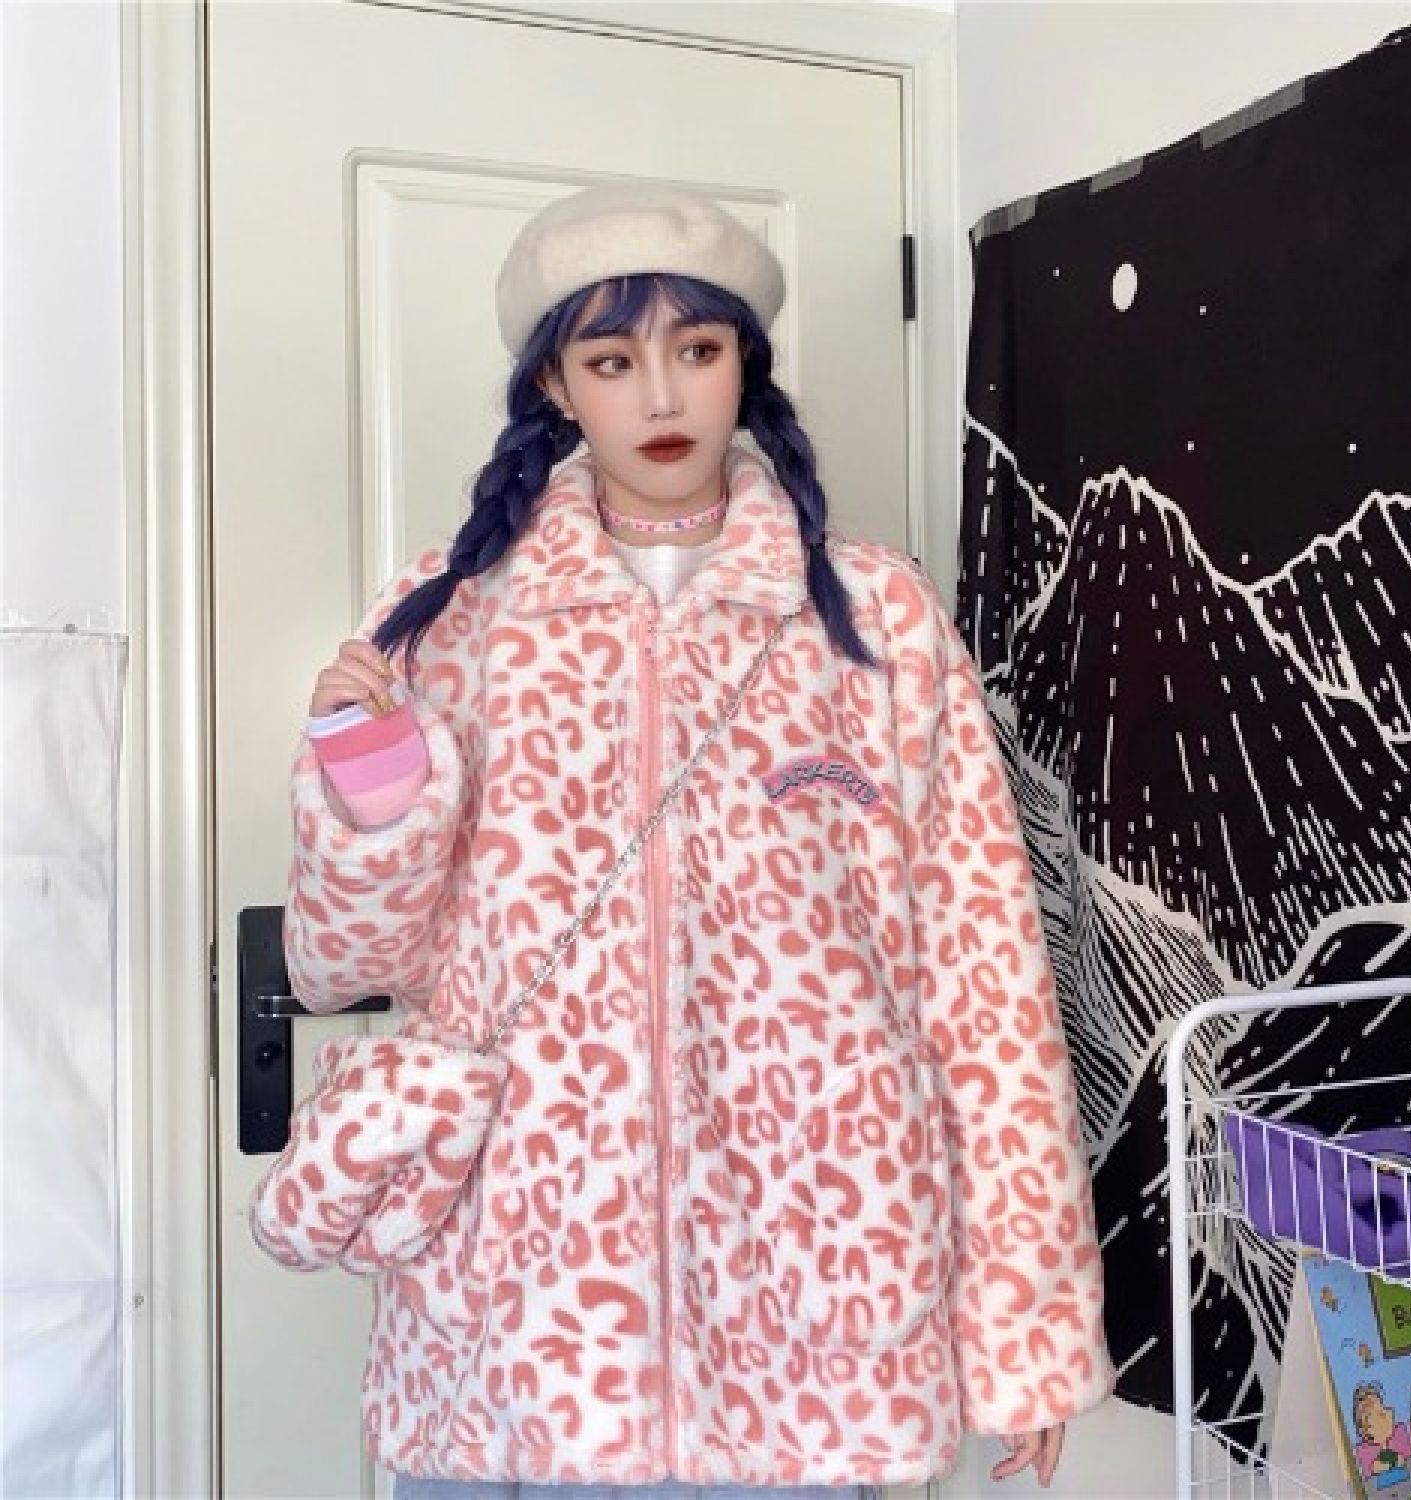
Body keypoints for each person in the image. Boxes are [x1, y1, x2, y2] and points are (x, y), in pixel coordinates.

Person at [267, 182, 1113, 1498]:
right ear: (556, 385)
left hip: (816, 1310)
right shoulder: (457, 617)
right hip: (520, 1320)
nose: (662, 398)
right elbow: (342, 963)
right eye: (613, 361)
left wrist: (1025, 1334)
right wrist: (369, 787)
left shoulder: (874, 619)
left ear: (744, 365)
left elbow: (986, 984)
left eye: (698, 350)